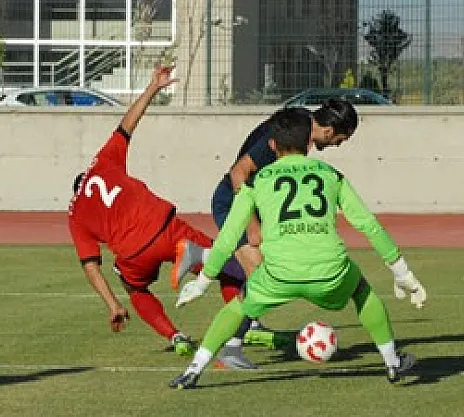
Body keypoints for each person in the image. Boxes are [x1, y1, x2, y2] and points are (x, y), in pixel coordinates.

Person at [169, 107, 427, 389]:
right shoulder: (332, 175)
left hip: (278, 274)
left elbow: (228, 238)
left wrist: (202, 283)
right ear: (307, 142)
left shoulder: (256, 182)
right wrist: (402, 273)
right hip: (331, 272)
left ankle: (193, 370)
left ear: (272, 145)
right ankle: (392, 362)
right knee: (362, 292)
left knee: (239, 305)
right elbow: (368, 224)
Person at [171, 99, 360, 369]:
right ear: (330, 131)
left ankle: (203, 257)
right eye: (341, 140)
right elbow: (239, 173)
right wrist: (252, 224)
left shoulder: (299, 126)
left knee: (271, 267)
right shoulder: (292, 129)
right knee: (260, 274)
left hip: (255, 205)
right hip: (233, 201)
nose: (338, 145)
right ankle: (230, 346)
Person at [67, 65, 237, 355]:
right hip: (164, 227)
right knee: (224, 267)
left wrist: (113, 305)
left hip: (134, 252)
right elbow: (127, 125)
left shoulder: (75, 216)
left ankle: (175, 336)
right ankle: (247, 327)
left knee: (135, 289)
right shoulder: (101, 164)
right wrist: (153, 88)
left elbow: (90, 267)